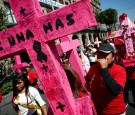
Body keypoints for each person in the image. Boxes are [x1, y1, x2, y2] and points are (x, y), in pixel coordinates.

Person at [85, 43, 126, 115]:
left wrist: (104, 70)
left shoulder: (119, 70)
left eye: (105, 54)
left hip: (115, 112)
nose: (102, 57)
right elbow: (86, 80)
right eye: (100, 53)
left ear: (113, 57)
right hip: (98, 111)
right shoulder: (93, 68)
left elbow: (116, 90)